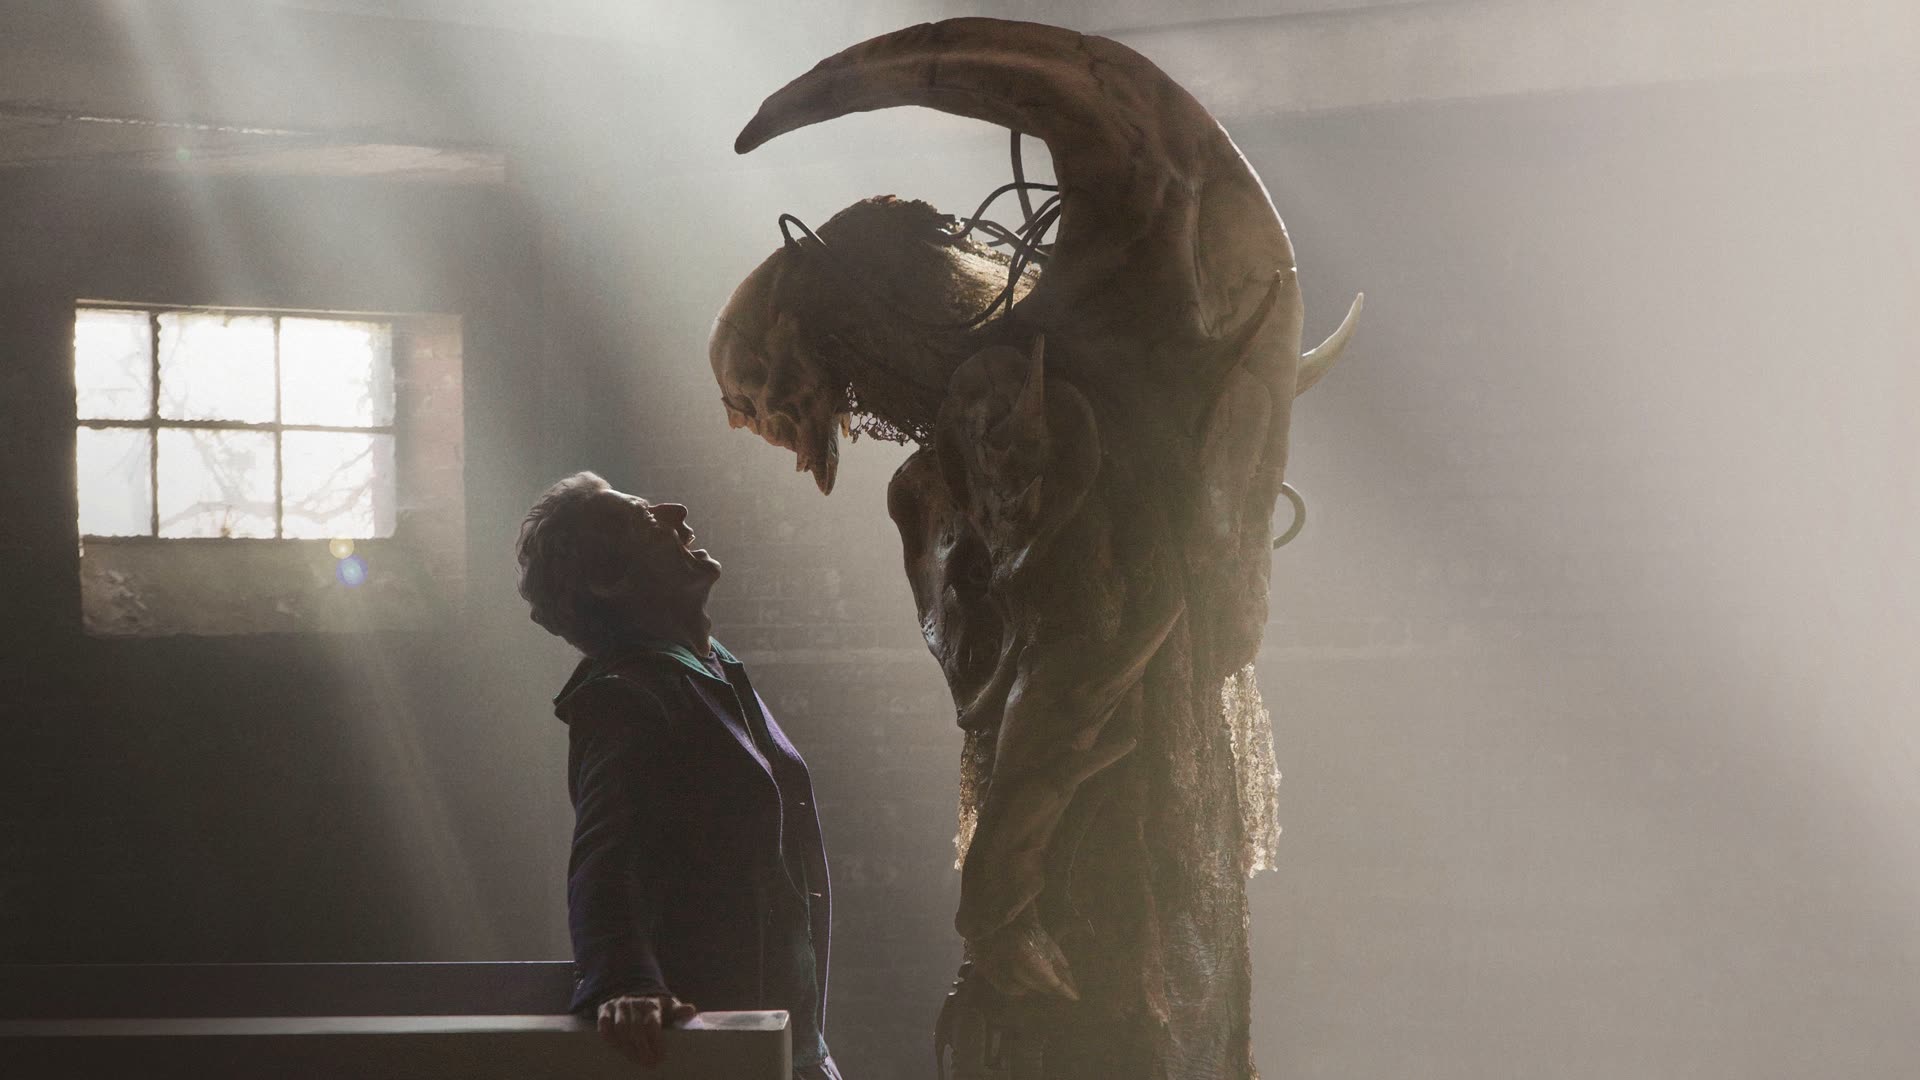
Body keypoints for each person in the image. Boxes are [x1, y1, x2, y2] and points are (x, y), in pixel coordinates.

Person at [515, 471, 841, 1079]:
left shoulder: (708, 671)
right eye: (645, 520)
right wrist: (624, 981)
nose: (678, 511)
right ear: (608, 579)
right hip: (715, 1050)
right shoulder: (627, 696)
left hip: (789, 1045)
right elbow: (605, 856)